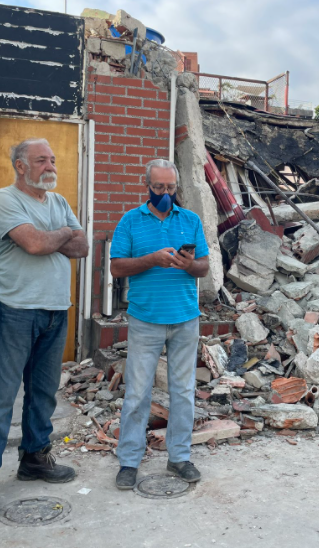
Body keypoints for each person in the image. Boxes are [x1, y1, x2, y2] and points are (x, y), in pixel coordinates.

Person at [0, 138, 88, 519]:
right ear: (21, 166)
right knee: (0, 395)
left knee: (44, 392)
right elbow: (34, 244)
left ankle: (34, 456)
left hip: (55, 310)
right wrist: (63, 235)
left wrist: (63, 236)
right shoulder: (5, 200)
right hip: (14, 310)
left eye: (52, 159)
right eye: (41, 160)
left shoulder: (58, 201)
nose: (50, 165)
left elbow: (82, 247)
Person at [109, 159, 210, 490]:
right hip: (145, 320)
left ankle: (179, 456)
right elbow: (117, 268)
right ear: (146, 185)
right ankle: (129, 461)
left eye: (170, 188)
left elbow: (204, 268)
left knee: (183, 391)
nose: (165, 193)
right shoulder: (130, 221)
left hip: (185, 318)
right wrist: (151, 259)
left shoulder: (191, 220)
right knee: (138, 392)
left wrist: (189, 264)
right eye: (158, 187)